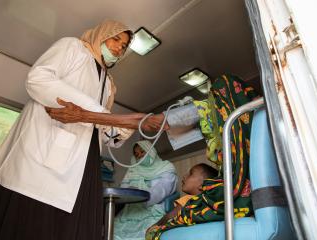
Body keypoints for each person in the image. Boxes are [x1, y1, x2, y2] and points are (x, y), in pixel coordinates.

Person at [0, 20, 160, 240]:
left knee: (73, 225)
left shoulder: (109, 84)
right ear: (101, 35)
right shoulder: (72, 48)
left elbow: (104, 131)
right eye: (116, 38)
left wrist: (124, 127)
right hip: (44, 150)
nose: (119, 47)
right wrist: (106, 116)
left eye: (124, 46)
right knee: (31, 221)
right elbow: (38, 79)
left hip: (85, 160)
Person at [45, 74, 259, 239]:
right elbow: (151, 123)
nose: (138, 155)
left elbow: (152, 123)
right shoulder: (219, 122)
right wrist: (85, 116)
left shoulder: (244, 132)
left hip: (151, 209)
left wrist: (83, 116)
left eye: (216, 101)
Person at [113, 140, 177, 240]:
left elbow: (163, 189)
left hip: (154, 208)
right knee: (113, 231)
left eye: (142, 152)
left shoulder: (165, 167)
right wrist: (131, 192)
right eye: (136, 154)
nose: (139, 156)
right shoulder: (133, 169)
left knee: (147, 234)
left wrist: (141, 196)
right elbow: (124, 188)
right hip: (130, 210)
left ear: (150, 150)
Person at [145, 163, 218, 240]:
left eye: (190, 174)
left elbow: (170, 216)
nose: (184, 176)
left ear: (202, 184)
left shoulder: (188, 199)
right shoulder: (210, 203)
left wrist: (155, 226)